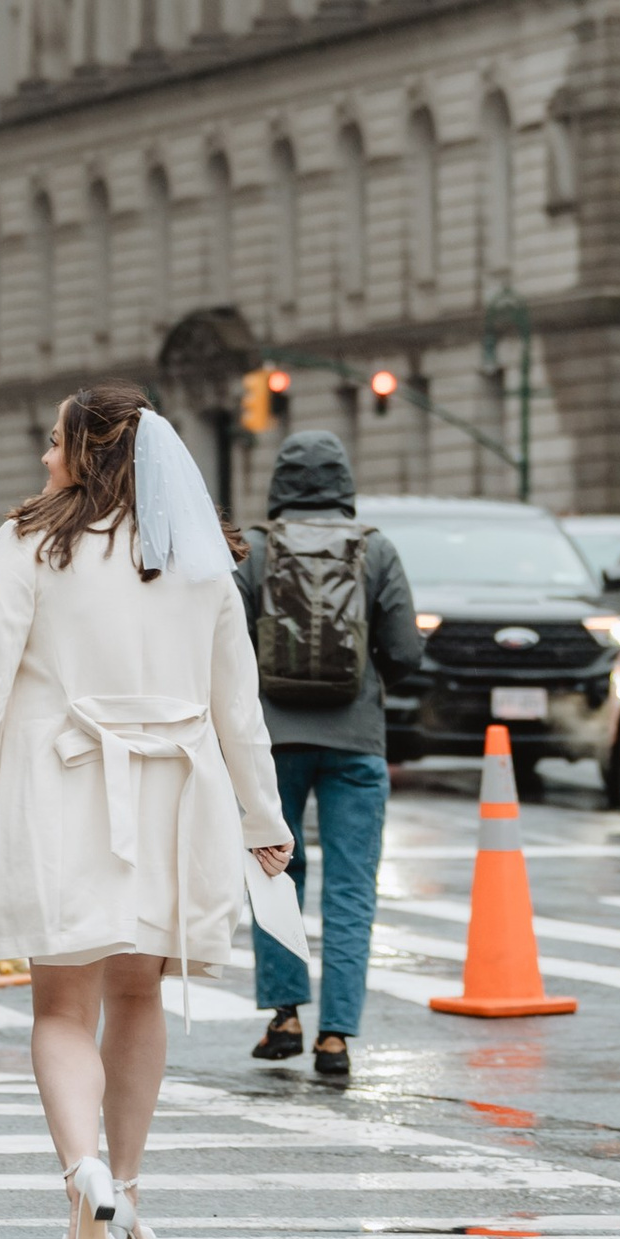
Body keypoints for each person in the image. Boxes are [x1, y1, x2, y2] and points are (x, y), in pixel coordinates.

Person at [0, 385, 291, 1239]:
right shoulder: (200, 560)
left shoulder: (30, 543)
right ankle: (128, 1192)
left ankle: (81, 1181)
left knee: (62, 1007)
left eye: (53, 440)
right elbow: (237, 707)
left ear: (88, 452)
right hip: (175, 798)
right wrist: (264, 821)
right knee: (138, 995)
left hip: (64, 794)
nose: (42, 457)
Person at [236, 428, 422, 1086]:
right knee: (351, 889)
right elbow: (404, 653)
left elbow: (226, 646)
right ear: (344, 483)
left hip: (270, 743)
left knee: (274, 874)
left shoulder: (255, 550)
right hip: (355, 741)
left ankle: (285, 1015)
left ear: (280, 484)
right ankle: (336, 1035)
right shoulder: (377, 551)